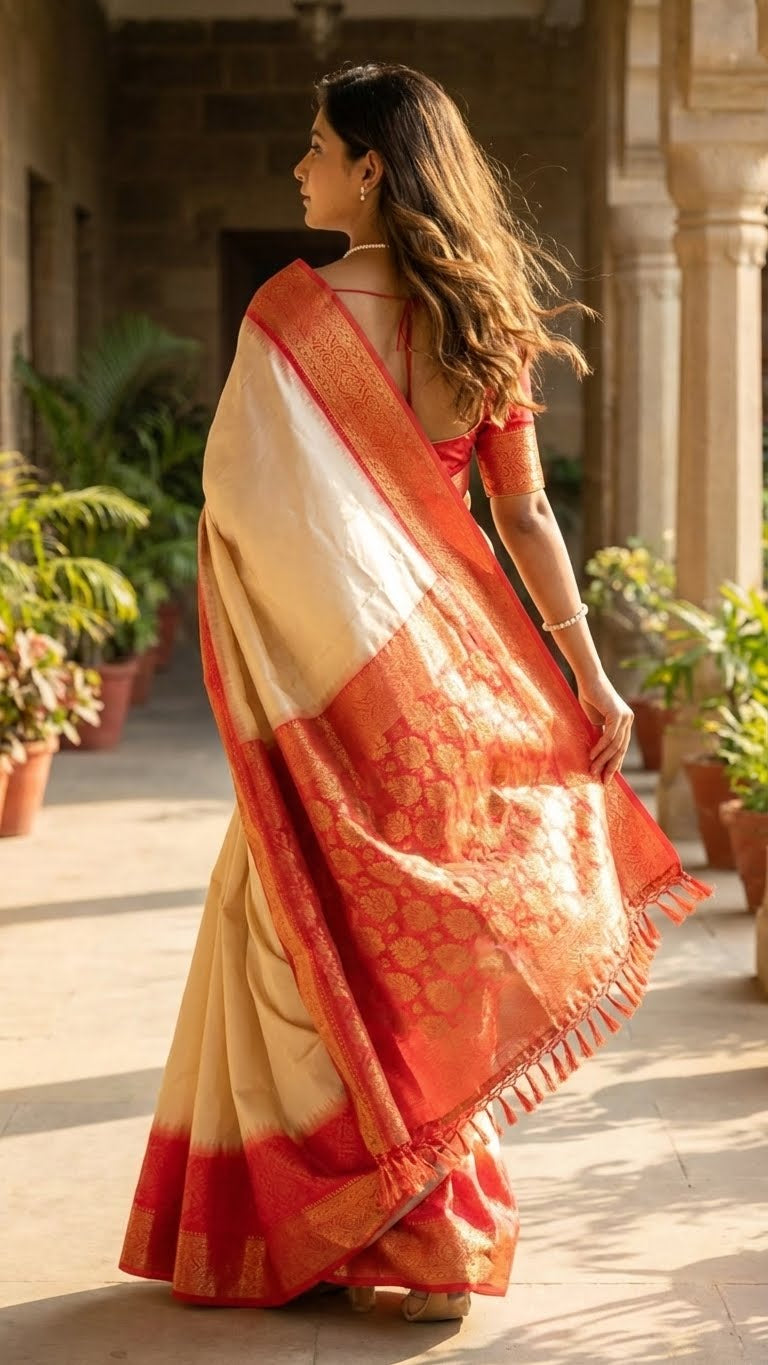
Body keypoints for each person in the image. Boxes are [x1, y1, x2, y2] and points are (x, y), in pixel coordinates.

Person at [119, 62, 710, 1324]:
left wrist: (290, 647)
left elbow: (242, 506)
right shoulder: (478, 321)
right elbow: (526, 515)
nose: (299, 167)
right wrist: (585, 674)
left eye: (315, 145)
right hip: (447, 694)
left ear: (371, 167)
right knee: (411, 962)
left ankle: (326, 1233)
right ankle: (424, 1241)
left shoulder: (288, 314)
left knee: (304, 941)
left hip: (330, 698)